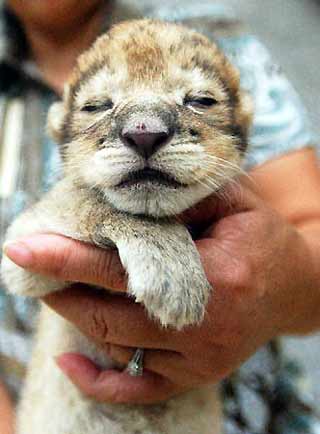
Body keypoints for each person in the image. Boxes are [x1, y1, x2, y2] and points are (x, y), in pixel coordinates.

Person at [1, 1, 320, 433]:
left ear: (245, 124)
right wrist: (115, 223)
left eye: (200, 100)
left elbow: (310, 221)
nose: (144, 129)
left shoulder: (215, 31)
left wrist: (283, 278)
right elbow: (24, 265)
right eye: (96, 107)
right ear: (62, 132)